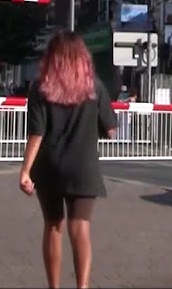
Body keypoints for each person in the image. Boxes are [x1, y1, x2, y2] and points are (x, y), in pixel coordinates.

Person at [19, 31, 118, 289]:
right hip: (83, 167)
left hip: (49, 167)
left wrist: (25, 171)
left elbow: (37, 133)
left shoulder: (40, 88)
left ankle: (54, 286)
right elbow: (111, 130)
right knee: (80, 226)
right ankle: (82, 286)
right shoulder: (94, 87)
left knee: (53, 225)